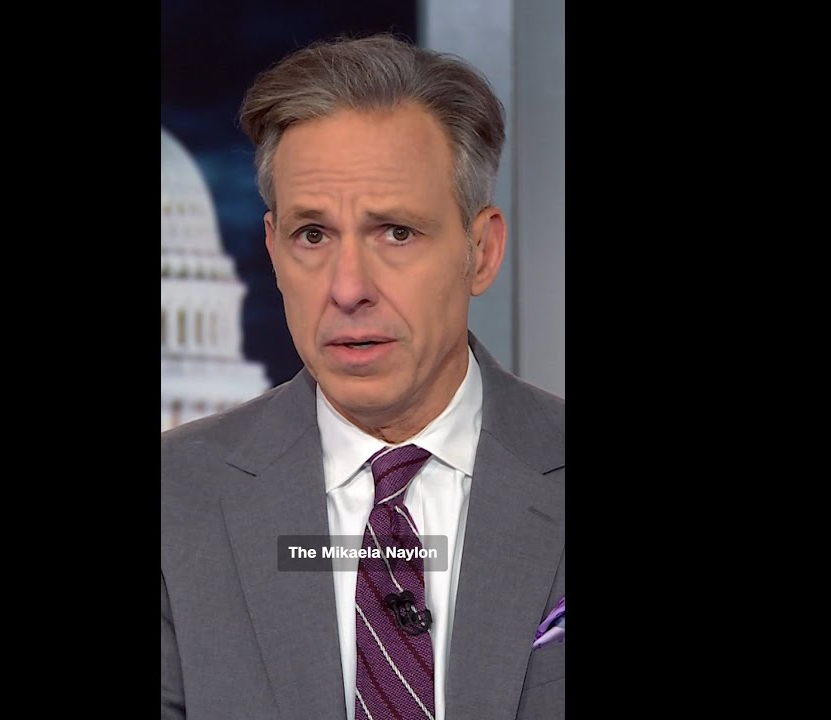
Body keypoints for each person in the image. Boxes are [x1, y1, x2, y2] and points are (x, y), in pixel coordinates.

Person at [161, 34, 564, 719]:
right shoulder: (174, 502)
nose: (348, 289)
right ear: (272, 251)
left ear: (481, 251)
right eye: (313, 235)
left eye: (396, 232)